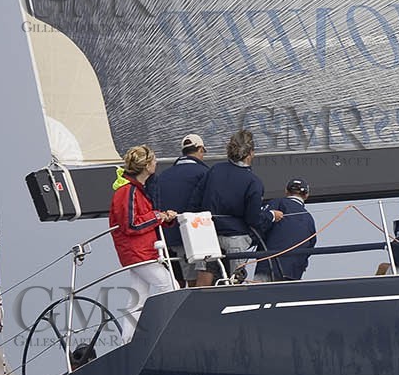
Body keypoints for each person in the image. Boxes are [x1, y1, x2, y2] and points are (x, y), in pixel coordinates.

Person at [191, 130, 281, 286]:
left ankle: (197, 308)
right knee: (234, 282)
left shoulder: (214, 170)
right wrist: (271, 215)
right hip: (235, 238)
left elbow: (195, 202)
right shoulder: (253, 182)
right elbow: (253, 219)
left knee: (205, 276)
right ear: (250, 153)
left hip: (209, 233)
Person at [107, 145, 178, 341]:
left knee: (137, 296)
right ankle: (164, 330)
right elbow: (130, 224)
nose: (156, 163)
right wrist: (159, 216)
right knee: (168, 284)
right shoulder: (127, 191)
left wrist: (164, 217)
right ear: (146, 166)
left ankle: (127, 340)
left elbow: (140, 220)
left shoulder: (134, 190)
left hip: (140, 252)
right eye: (153, 160)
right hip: (138, 252)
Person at [145, 132, 209, 285]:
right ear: (200, 150)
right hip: (191, 239)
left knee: (176, 284)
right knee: (194, 284)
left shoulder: (163, 175)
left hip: (166, 239)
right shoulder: (205, 173)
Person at [253, 180, 317, 282]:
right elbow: (311, 246)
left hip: (268, 268)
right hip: (294, 273)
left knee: (258, 296)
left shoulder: (277, 203)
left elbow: (258, 224)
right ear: (306, 195)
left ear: (286, 191)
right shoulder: (309, 219)